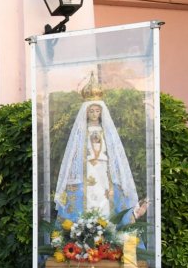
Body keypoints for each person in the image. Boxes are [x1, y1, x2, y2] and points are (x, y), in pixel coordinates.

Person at [55, 93, 147, 224]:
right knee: (82, 198)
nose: (94, 114)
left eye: (97, 111)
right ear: (86, 112)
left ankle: (107, 230)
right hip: (86, 169)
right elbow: (73, 154)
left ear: (101, 112)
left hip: (104, 170)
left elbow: (114, 151)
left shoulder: (107, 131)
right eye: (91, 111)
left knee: (107, 197)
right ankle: (83, 230)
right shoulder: (81, 131)